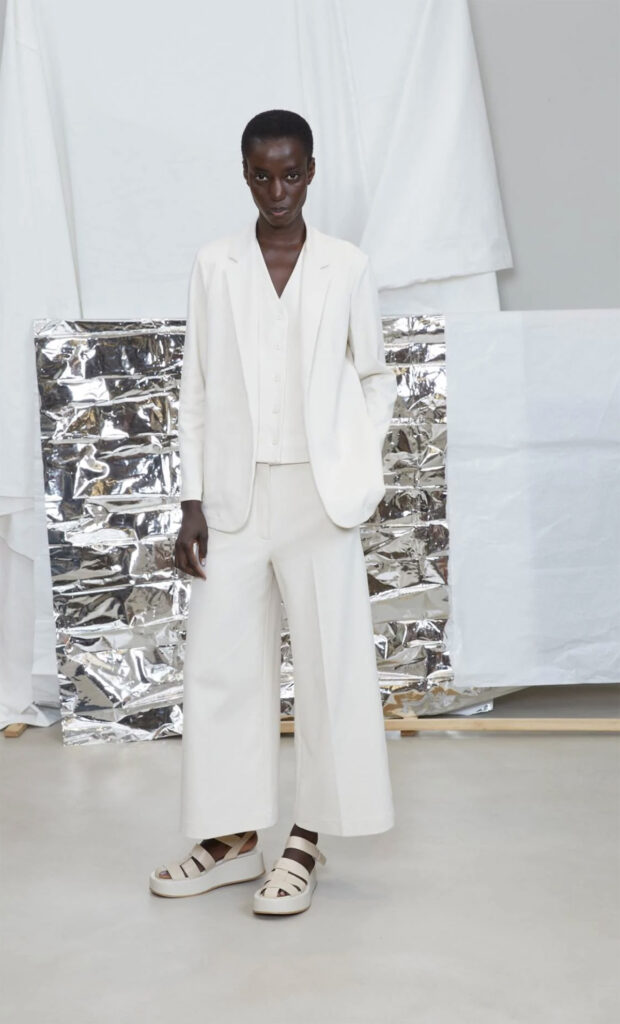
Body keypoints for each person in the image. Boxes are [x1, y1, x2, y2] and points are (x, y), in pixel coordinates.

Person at [149, 109, 396, 916]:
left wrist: (355, 466)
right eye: (263, 174)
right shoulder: (215, 264)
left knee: (329, 668)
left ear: (311, 171)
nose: (278, 190)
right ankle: (230, 839)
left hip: (319, 499)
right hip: (233, 496)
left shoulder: (346, 265)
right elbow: (194, 386)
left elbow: (374, 378)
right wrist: (191, 499)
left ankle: (305, 841)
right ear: (245, 174)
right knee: (222, 665)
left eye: (291, 174)